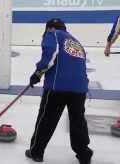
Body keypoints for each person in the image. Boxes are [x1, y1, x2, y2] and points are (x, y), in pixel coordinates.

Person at [26, 18, 93, 164]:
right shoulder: (76, 42)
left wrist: (38, 73)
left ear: (50, 28)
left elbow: (50, 53)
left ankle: (36, 151)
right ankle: (83, 154)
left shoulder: (53, 34)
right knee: (77, 121)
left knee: (47, 119)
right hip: (80, 88)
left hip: (58, 86)